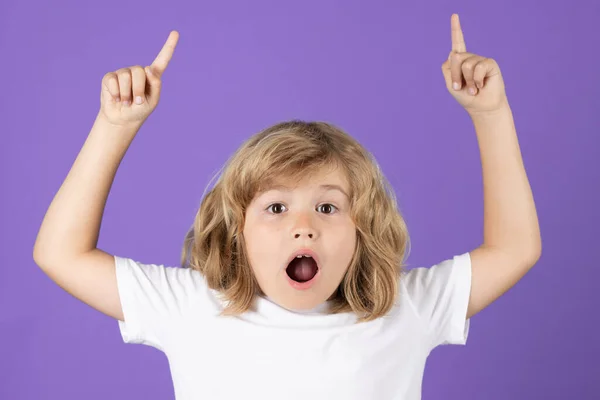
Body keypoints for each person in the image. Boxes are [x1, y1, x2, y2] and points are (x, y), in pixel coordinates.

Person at [33, 13, 541, 400]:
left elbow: (514, 248)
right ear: (238, 232)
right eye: (276, 208)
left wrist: (490, 114)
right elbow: (60, 254)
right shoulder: (191, 306)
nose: (303, 228)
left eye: (328, 208)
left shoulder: (405, 309)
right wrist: (116, 126)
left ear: (364, 229)